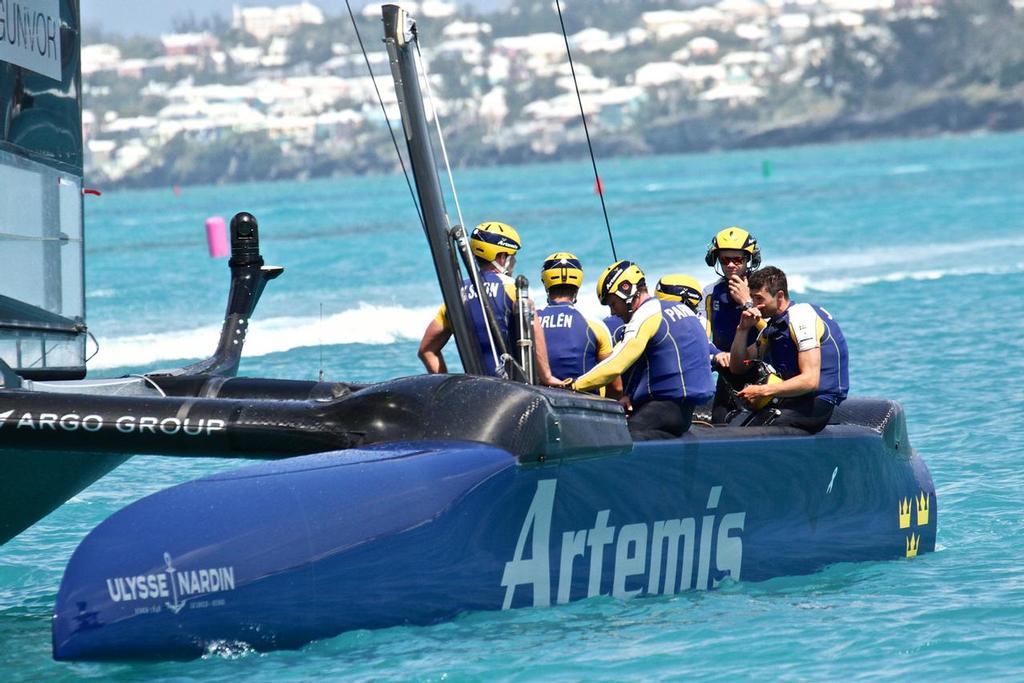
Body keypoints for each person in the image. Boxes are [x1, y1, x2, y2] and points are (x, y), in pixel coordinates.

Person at [567, 261, 714, 439]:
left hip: (664, 409)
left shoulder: (648, 314)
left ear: (626, 289)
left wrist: (574, 386)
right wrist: (630, 395)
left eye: (613, 304)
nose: (613, 312)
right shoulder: (681, 309)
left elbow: (615, 365)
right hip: (684, 411)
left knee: (613, 439)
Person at [418, 221, 556, 383]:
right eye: (512, 256)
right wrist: (547, 377)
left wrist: (444, 386)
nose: (514, 262)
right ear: (501, 257)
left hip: (477, 388)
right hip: (515, 387)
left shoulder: (456, 295)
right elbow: (535, 333)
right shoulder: (513, 288)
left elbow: (426, 350)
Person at [730, 266, 849, 434]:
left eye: (759, 299)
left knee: (755, 432)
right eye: (752, 299)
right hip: (792, 399)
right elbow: (737, 367)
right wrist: (742, 330)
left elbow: (810, 380)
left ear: (779, 296)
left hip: (817, 403)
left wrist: (762, 391)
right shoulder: (773, 326)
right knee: (736, 423)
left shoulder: (802, 317)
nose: (755, 305)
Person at [702, 226, 764, 422]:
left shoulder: (765, 291)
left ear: (749, 260)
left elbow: (776, 331)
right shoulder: (710, 293)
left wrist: (747, 302)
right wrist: (717, 355)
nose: (730, 265)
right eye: (724, 259)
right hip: (727, 374)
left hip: (763, 373)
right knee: (719, 421)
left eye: (737, 259)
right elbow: (701, 337)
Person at [536, 252, 618, 395]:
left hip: (541, 406)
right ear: (578, 284)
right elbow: (616, 386)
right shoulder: (594, 324)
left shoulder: (530, 321)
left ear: (545, 283)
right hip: (586, 410)